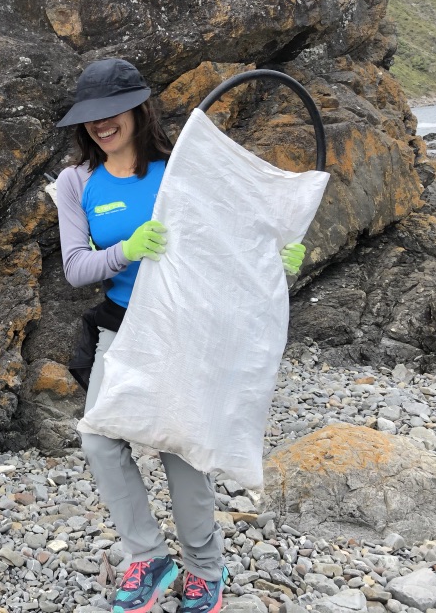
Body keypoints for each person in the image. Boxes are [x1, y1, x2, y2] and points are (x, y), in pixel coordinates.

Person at [54, 58, 305, 613]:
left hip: (188, 324)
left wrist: (280, 254)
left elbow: (238, 234)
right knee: (99, 439)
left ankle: (204, 568)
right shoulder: (76, 183)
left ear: (138, 110)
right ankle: (147, 556)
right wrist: (127, 250)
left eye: (111, 112)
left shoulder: (180, 169)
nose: (101, 125)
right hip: (121, 327)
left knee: (180, 445)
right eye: (91, 117)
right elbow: (75, 268)